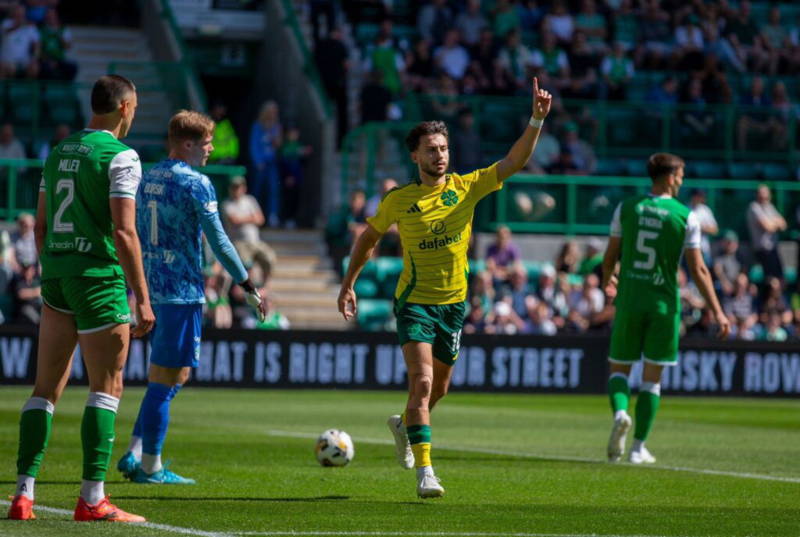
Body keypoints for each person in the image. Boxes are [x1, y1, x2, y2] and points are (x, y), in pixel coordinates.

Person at [338, 78, 552, 498]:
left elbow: (515, 160)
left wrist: (536, 120)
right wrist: (349, 284)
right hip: (415, 303)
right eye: (431, 150)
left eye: (444, 149)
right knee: (420, 383)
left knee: (439, 389)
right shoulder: (400, 200)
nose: (439, 156)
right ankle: (426, 472)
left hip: (454, 305)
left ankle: (403, 426)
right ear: (415, 155)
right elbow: (368, 239)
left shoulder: (465, 187)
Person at [8, 74, 155, 523]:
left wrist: (53, 266)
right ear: (125, 107)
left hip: (57, 278)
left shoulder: (59, 151)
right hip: (98, 278)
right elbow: (125, 231)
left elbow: (39, 224)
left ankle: (22, 495)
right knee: (107, 387)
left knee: (44, 390)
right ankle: (92, 498)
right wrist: (143, 299)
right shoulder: (121, 156)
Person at [117, 110, 267, 485]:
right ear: (187, 144)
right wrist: (248, 285)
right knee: (167, 379)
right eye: (206, 143)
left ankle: (135, 451)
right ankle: (151, 466)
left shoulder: (147, 176)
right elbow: (219, 240)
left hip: (151, 288)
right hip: (181, 291)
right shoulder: (196, 183)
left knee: (168, 374)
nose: (211, 149)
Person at [601, 152, 729, 465]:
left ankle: (620, 413)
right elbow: (698, 270)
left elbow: (611, 254)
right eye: (681, 175)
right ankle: (637, 448)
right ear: (670, 177)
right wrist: (717, 310)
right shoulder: (686, 216)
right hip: (663, 304)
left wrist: (608, 279)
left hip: (630, 300)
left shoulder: (627, 207)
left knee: (619, 369)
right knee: (652, 379)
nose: (682, 181)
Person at [747, 184, 786, 282]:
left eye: (766, 193)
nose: (764, 196)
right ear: (757, 194)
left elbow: (783, 224)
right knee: (770, 280)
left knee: (780, 277)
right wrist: (775, 223)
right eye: (761, 193)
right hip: (762, 249)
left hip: (773, 248)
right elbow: (768, 227)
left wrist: (772, 224)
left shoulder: (770, 207)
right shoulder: (754, 207)